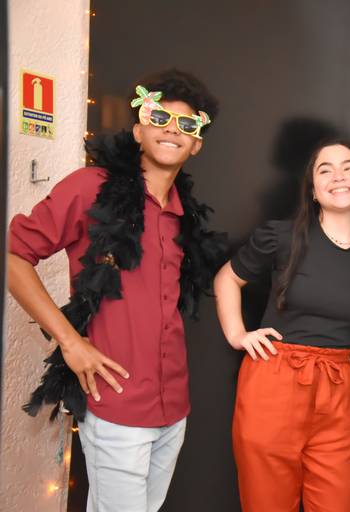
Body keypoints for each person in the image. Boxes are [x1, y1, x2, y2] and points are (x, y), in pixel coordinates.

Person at [7, 69, 225, 511]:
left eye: (186, 124)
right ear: (138, 129)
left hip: (173, 407)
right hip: (118, 406)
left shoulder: (183, 215)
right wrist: (70, 341)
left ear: (196, 143)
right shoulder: (91, 188)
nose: (172, 129)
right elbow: (13, 256)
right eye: (159, 117)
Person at [214, 140, 350, 512]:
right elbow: (227, 278)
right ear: (313, 190)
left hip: (339, 390)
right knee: (267, 503)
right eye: (325, 170)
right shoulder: (282, 237)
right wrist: (237, 334)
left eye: (348, 167)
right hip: (274, 381)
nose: (338, 176)